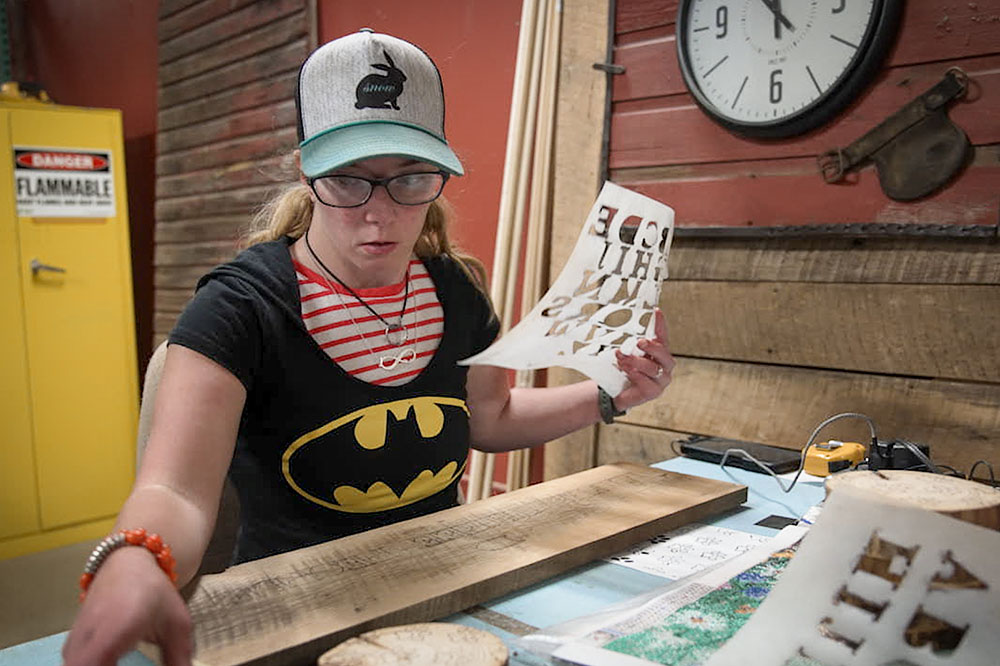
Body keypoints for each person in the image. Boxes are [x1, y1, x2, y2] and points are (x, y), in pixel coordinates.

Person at [62, 28, 674, 666]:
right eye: (348, 181)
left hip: (445, 592)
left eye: (409, 181)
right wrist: (138, 559)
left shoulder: (458, 290)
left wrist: (610, 393)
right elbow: (177, 493)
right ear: (307, 171)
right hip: (295, 615)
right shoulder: (240, 309)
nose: (379, 214)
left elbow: (490, 417)